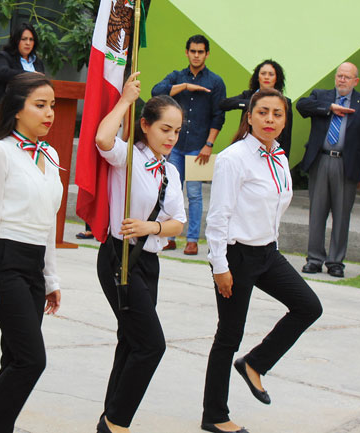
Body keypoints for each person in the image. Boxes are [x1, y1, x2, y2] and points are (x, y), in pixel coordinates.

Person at [202, 88, 322, 433]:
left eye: (277, 114)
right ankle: (215, 415)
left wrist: (273, 245)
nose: (270, 119)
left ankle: (254, 363)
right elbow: (218, 217)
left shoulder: (279, 156)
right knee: (229, 336)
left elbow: (274, 209)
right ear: (250, 117)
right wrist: (220, 266)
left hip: (268, 253)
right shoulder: (233, 158)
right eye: (263, 112)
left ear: (284, 120)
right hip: (236, 255)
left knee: (308, 306)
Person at [0, 72, 63, 433]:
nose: (49, 113)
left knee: (14, 359)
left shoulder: (50, 154)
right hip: (5, 263)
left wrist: (50, 277)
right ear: (17, 109)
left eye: (52, 105)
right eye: (40, 105)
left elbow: (48, 221)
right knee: (30, 360)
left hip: (34, 266)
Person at [93, 72, 186, 433]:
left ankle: (109, 416)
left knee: (131, 341)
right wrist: (125, 100)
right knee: (151, 345)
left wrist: (152, 228)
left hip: (148, 263)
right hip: (120, 258)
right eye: (165, 129)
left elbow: (178, 223)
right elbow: (103, 138)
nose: (171, 137)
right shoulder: (128, 157)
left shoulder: (170, 171)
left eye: (176, 131)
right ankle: (117, 423)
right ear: (145, 125)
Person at [295, 62, 360, 278]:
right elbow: (301, 106)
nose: (342, 80)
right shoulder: (321, 96)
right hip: (321, 160)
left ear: (355, 81)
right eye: (339, 75)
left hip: (346, 164)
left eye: (347, 77)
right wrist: (330, 108)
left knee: (341, 215)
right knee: (317, 212)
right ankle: (314, 259)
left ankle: (335, 262)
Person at [152, 34, 226, 255]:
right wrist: (184, 86)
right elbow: (156, 92)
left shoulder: (215, 82)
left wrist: (209, 144)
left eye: (200, 52)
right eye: (192, 51)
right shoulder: (177, 76)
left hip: (198, 146)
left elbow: (218, 116)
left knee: (194, 194)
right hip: (174, 145)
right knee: (170, 191)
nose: (196, 55)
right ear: (187, 52)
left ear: (207, 54)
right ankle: (169, 236)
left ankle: (192, 239)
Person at [220, 59, 294, 157]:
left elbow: (286, 135)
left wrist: (284, 158)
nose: (266, 77)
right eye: (263, 73)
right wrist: (250, 104)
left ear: (277, 78)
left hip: (271, 149)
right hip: (247, 145)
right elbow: (223, 104)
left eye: (271, 74)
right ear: (257, 77)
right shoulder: (248, 95)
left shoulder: (284, 102)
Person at [0, 23, 46, 128]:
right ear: (16, 40)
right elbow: (3, 73)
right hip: (5, 114)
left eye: (31, 39)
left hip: (30, 116)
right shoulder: (3, 56)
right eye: (24, 39)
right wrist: (30, 75)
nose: (28, 43)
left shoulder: (37, 62)